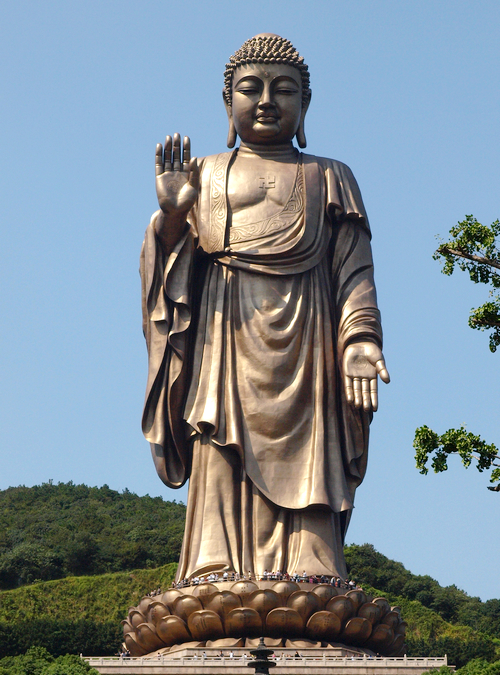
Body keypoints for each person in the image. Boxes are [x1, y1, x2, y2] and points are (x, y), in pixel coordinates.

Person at [141, 34, 389, 582]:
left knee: (312, 450)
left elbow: (354, 270)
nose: (267, 101)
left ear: (305, 103)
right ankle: (213, 564)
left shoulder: (330, 176)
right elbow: (169, 275)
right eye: (251, 88)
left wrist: (360, 340)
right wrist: (174, 219)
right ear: (227, 101)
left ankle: (314, 567)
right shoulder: (203, 173)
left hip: (309, 345)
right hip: (223, 340)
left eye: (285, 90)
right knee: (216, 439)